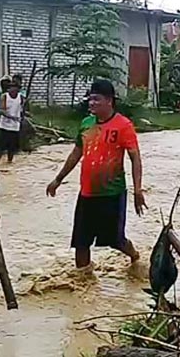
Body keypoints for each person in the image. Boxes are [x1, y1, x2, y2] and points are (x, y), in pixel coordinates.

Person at [46, 80, 146, 269]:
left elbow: (135, 158)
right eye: (90, 99)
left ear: (109, 101)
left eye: (96, 99)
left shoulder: (124, 126)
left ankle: (135, 257)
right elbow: (76, 153)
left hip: (112, 194)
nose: (91, 103)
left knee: (115, 241)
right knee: (81, 243)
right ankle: (84, 280)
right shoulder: (86, 124)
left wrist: (138, 190)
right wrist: (58, 179)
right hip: (87, 194)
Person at [0, 81, 23, 163]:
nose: (12, 90)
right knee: (0, 147)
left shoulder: (21, 97)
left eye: (14, 88)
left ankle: (9, 162)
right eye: (10, 88)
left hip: (15, 127)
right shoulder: (5, 96)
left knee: (12, 148)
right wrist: (13, 117)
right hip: (5, 126)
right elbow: (1, 110)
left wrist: (22, 117)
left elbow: (23, 109)